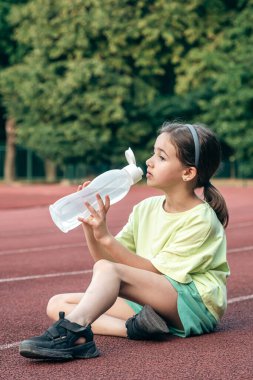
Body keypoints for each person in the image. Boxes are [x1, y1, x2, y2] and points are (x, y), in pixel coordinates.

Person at [19, 122, 230, 361]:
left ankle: (72, 334)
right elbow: (104, 263)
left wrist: (107, 238)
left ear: (188, 173)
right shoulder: (146, 208)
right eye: (153, 152)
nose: (149, 161)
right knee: (57, 304)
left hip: (193, 306)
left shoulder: (200, 219)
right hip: (152, 302)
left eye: (161, 157)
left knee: (101, 280)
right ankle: (134, 328)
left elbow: (154, 272)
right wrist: (92, 227)